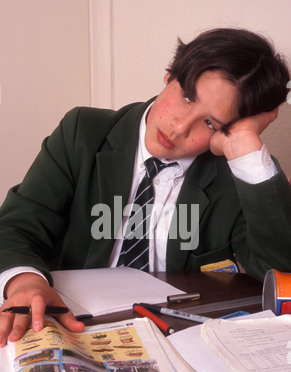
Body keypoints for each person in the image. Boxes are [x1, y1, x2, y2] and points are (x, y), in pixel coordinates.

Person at [0, 27, 290, 346]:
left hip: (180, 335)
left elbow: (277, 271)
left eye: (210, 123)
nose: (179, 127)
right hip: (73, 325)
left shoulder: (235, 174)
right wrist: (25, 281)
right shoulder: (82, 132)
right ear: (169, 77)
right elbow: (18, 226)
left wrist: (247, 150)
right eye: (186, 97)